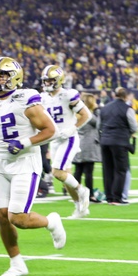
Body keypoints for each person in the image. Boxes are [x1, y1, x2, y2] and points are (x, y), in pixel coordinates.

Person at [0, 57, 66, 276]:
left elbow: (51, 130)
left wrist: (25, 142)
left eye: (3, 75)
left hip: (25, 163)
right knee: (1, 214)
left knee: (18, 218)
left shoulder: (26, 99)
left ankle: (51, 222)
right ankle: (17, 263)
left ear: (15, 77)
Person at [40, 65, 92, 218]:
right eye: (46, 80)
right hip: (55, 140)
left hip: (68, 138)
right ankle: (80, 208)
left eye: (50, 80)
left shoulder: (68, 95)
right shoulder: (43, 97)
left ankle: (83, 191)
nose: (47, 83)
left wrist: (73, 128)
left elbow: (86, 115)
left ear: (59, 80)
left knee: (57, 172)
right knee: (65, 178)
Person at [98, 87, 138, 205]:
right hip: (120, 141)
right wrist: (127, 134)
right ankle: (117, 197)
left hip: (105, 141)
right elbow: (134, 127)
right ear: (125, 97)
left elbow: (99, 126)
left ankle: (109, 196)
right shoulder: (127, 109)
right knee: (120, 170)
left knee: (107, 169)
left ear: (114, 95)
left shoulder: (104, 108)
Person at [72, 93, 102, 203]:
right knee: (88, 172)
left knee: (78, 171)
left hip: (78, 143)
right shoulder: (89, 115)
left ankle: (75, 194)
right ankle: (91, 195)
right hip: (88, 145)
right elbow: (99, 124)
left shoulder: (76, 114)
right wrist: (97, 110)